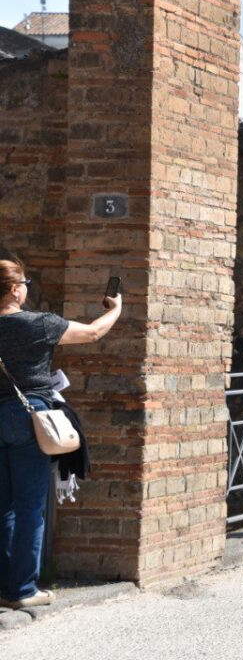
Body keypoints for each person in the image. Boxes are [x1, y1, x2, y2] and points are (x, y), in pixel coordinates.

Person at [0, 260, 122, 608]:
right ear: (13, 289)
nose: (27, 287)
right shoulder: (39, 324)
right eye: (24, 281)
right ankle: (22, 590)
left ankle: (6, 584)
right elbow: (93, 332)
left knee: (3, 506)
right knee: (29, 506)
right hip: (29, 417)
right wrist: (116, 310)